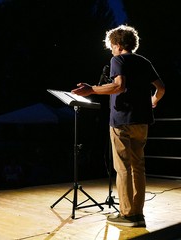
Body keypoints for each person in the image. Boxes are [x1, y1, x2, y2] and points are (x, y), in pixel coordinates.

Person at [71, 24, 165, 227]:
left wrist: (92, 89)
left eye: (112, 46)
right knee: (138, 168)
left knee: (123, 168)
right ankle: (137, 214)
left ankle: (127, 215)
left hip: (122, 121)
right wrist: (153, 100)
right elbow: (161, 88)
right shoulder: (144, 61)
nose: (111, 50)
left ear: (118, 44)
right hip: (142, 122)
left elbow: (119, 85)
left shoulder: (118, 59)